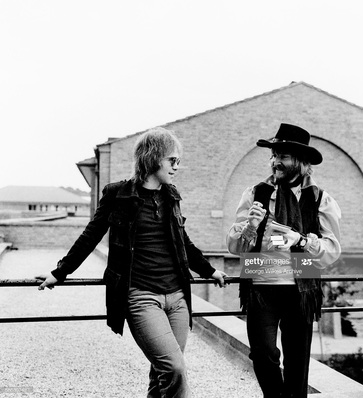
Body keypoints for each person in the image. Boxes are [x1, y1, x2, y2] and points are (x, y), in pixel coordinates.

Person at [36, 127, 226, 398]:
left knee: (161, 373)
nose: (177, 167)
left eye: (179, 161)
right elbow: (90, 236)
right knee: (175, 369)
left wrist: (210, 270)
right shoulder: (118, 195)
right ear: (153, 157)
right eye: (172, 160)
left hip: (178, 298)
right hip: (141, 297)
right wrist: (60, 272)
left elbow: (183, 243)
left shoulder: (171, 196)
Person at [226, 123, 341, 398]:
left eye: (283, 156)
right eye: (273, 155)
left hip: (301, 287)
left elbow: (332, 251)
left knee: (297, 363)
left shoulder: (320, 199)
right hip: (261, 283)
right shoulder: (256, 194)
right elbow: (234, 247)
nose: (275, 161)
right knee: (262, 353)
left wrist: (300, 240)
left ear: (300, 162)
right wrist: (250, 227)